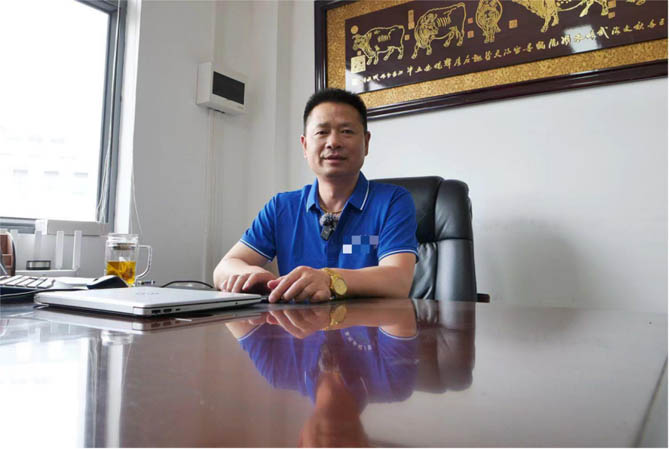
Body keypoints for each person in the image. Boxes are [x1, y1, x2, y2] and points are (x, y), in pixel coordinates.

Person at [213, 88, 418, 303]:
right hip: (296, 323)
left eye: (346, 131)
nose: (333, 142)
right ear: (305, 145)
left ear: (366, 143)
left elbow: (398, 280)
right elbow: (224, 268)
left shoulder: (393, 201)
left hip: (368, 324)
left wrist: (329, 279)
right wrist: (251, 275)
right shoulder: (282, 207)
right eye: (322, 132)